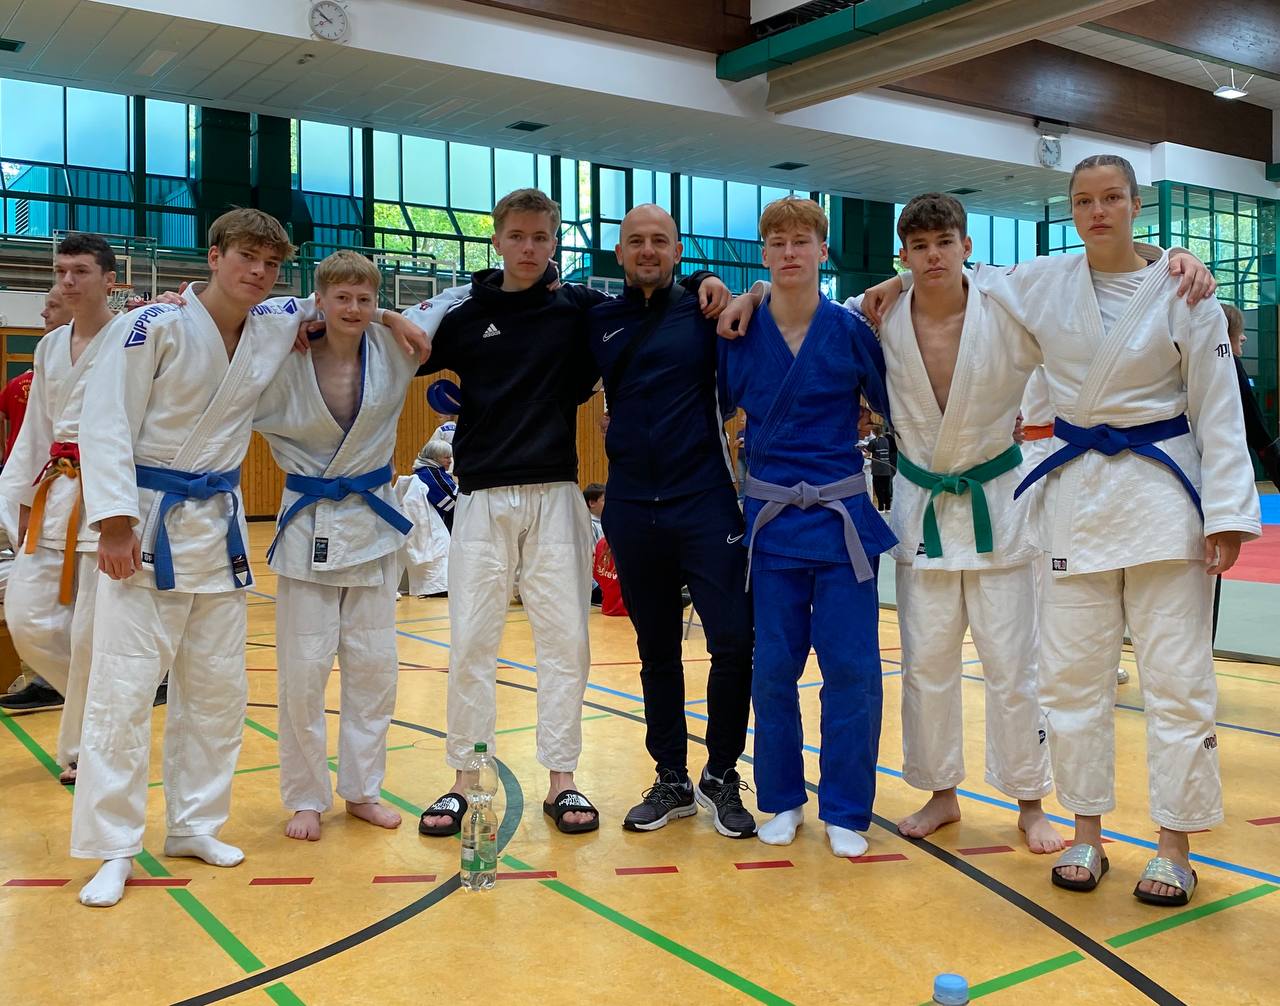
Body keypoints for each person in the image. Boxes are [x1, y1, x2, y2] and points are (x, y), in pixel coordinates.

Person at [866, 154, 1253, 906]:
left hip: (1163, 497)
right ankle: (1087, 835)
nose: (1097, 211)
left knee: (1177, 683)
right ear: (1071, 209)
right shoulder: (1041, 281)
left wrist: (1229, 513)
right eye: (1083, 200)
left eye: (1112, 198)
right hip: (1075, 500)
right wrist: (893, 282)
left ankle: (1173, 847)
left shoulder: (1183, 289)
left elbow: (1218, 407)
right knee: (1071, 684)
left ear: (1137, 206)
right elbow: (949, 283)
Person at [73, 210, 427, 907]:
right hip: (145, 524)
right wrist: (112, 523)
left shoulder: (272, 322)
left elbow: (339, 297)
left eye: (269, 262)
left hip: (219, 528)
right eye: (245, 257)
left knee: (215, 692)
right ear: (214, 256)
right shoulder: (154, 326)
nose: (257, 271)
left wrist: (387, 315)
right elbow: (104, 421)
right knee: (122, 691)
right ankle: (114, 847)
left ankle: (195, 823)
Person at [407, 188, 729, 838]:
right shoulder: (463, 314)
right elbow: (395, 336)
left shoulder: (577, 309)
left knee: (566, 644)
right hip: (482, 498)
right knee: (471, 641)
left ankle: (564, 779)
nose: (529, 249)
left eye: (541, 238)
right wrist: (312, 318)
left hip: (556, 491)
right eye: (517, 236)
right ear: (496, 240)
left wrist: (707, 277)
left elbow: (649, 300)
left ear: (554, 243)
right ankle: (464, 782)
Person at [718, 197, 894, 858]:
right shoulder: (737, 331)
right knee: (774, 671)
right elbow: (714, 412)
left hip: (842, 519)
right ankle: (783, 799)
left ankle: (847, 807)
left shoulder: (850, 333)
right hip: (770, 525)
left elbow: (894, 408)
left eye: (802, 242)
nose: (790, 252)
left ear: (824, 252)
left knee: (852, 669)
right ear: (763, 254)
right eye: (778, 243)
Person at [589, 204, 755, 838]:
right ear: (620, 252)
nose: (648, 249)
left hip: (707, 500)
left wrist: (735, 282)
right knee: (655, 650)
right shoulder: (597, 319)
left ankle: (721, 772)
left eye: (660, 240)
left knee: (734, 643)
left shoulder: (706, 309)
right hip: (632, 507)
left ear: (679, 249)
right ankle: (671, 778)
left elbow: (762, 301)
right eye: (636, 241)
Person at [253, 250, 418, 842]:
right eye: (340, 297)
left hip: (371, 530)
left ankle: (363, 791)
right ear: (318, 299)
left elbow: (448, 307)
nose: (353, 308)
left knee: (374, 669)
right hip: (308, 526)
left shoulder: (392, 351)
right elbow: (239, 313)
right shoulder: (282, 352)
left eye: (365, 299)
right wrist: (295, 312)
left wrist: (394, 316)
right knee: (303, 671)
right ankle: (304, 796)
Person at [0, 238, 119, 787]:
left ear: (109, 280)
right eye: (61, 271)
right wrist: (21, 501)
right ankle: (108, 709)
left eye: (80, 271)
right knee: (27, 619)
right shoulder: (50, 347)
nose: (67, 281)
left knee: (92, 635)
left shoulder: (132, 338)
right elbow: (34, 432)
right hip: (54, 490)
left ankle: (82, 747)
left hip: (106, 497)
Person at [583, 483, 605, 606]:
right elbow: (589, 560)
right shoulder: (588, 526)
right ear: (592, 503)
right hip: (593, 585)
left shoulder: (605, 523)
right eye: (603, 500)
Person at [868, 426, 896, 511]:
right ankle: (888, 507)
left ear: (873, 432)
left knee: (878, 489)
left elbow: (867, 454)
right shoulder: (886, 440)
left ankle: (880, 508)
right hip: (887, 468)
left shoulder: (873, 442)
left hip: (877, 470)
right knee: (886, 488)